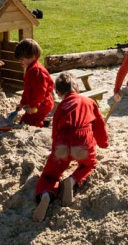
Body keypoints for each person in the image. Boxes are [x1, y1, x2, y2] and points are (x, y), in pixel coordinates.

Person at [33, 72, 109, 222]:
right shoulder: (89, 102)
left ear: (59, 93)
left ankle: (46, 195)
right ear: (77, 87)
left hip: (63, 141)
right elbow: (100, 125)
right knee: (89, 164)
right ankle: (72, 180)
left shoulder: (60, 108)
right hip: (82, 140)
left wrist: (55, 152)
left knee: (50, 175)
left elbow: (55, 132)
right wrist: (103, 143)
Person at [15, 38, 55, 127]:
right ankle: (44, 120)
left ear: (32, 56)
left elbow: (40, 92)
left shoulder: (37, 71)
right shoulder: (30, 69)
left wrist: (34, 106)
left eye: (22, 59)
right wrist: (22, 103)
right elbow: (27, 89)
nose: (20, 62)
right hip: (37, 103)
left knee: (31, 121)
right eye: (19, 59)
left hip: (43, 104)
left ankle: (44, 125)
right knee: (25, 119)